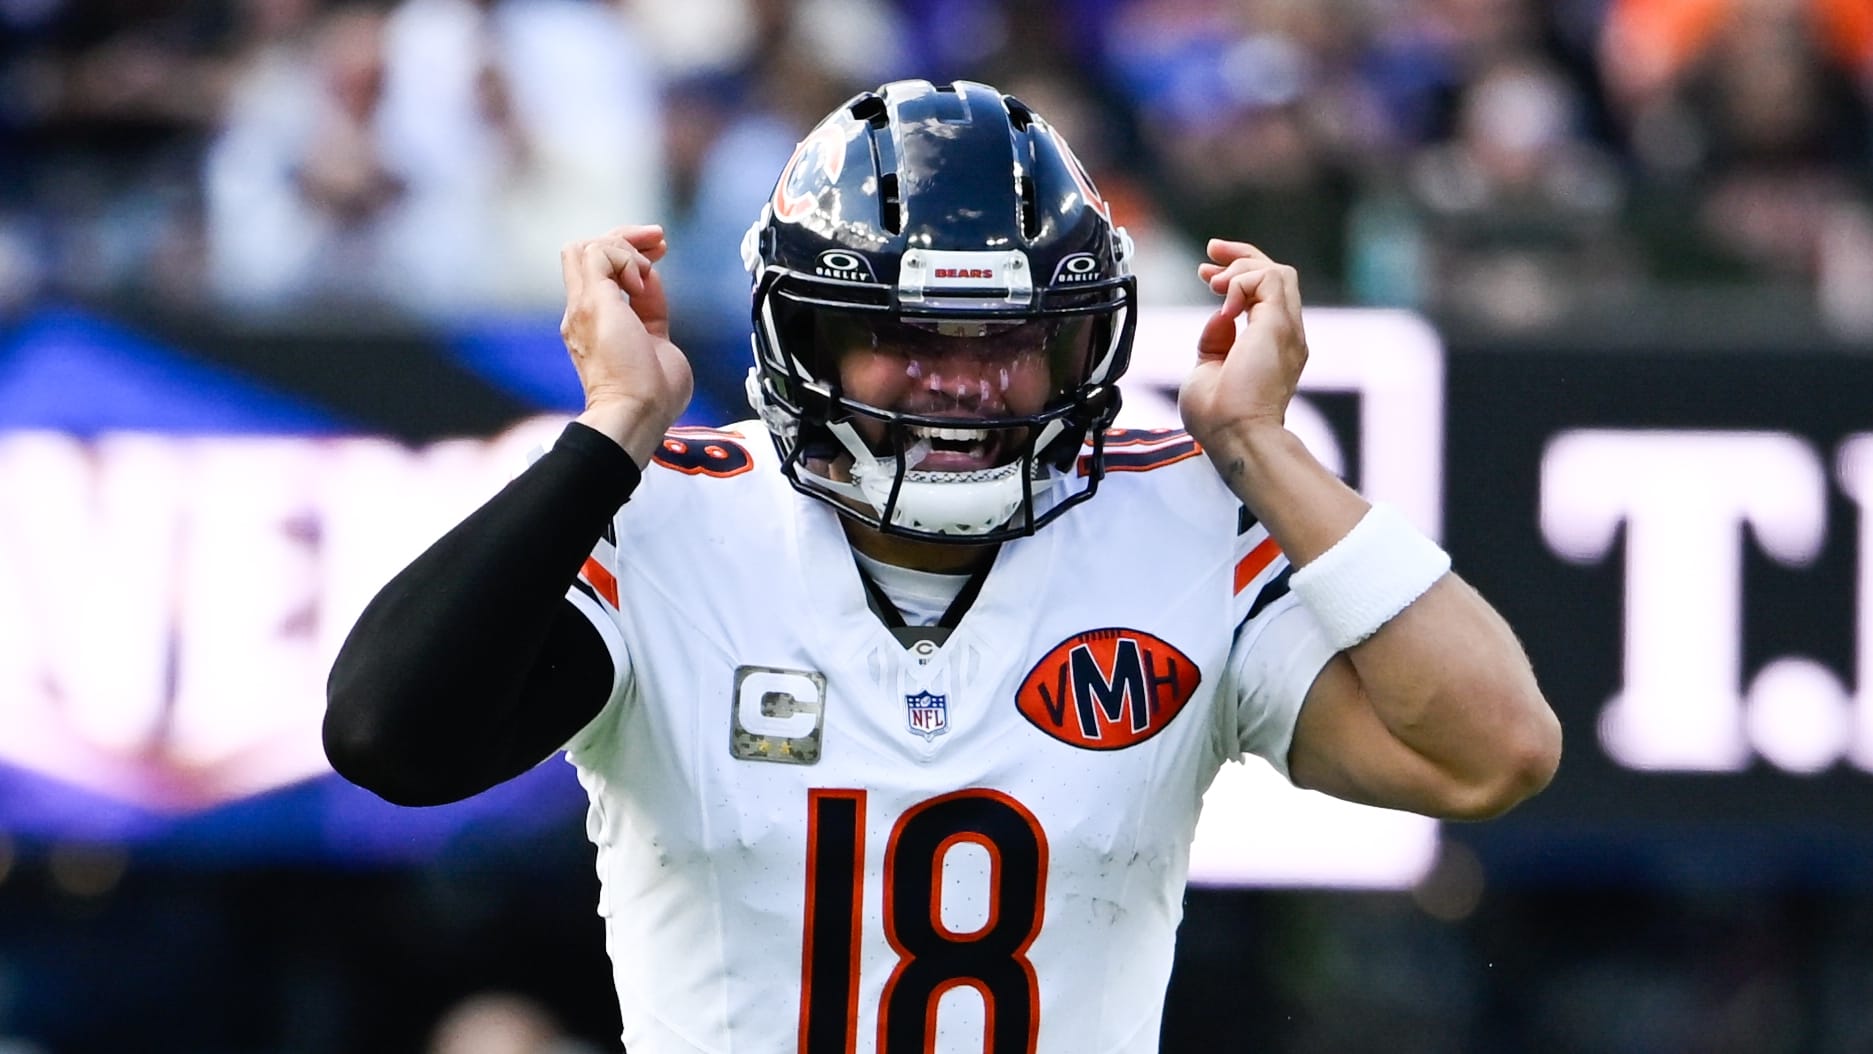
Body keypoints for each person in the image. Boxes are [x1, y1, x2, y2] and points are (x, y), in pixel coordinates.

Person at [324, 79, 1560, 1054]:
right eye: (901, 334)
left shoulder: (1181, 517)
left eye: (1011, 338)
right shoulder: (674, 521)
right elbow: (389, 735)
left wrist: (1257, 446)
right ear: (802, 329)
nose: (961, 380)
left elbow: (1490, 749)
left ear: (1082, 339)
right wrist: (607, 434)